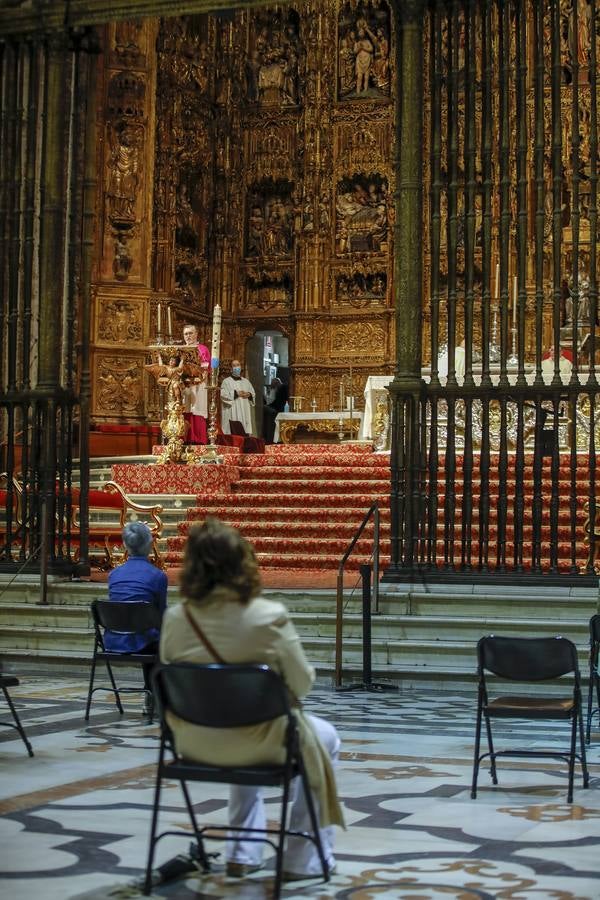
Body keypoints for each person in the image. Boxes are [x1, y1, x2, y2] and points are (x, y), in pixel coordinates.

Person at [159, 518, 344, 881]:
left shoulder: (175, 619)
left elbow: (170, 674)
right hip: (261, 740)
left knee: (239, 719)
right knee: (324, 738)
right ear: (242, 562)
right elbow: (302, 684)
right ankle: (302, 859)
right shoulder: (267, 617)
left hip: (192, 740)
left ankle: (242, 852)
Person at [106, 521, 168, 705]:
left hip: (115, 639)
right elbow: (161, 616)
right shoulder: (157, 576)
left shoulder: (113, 575)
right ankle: (157, 694)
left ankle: (152, 693)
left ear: (125, 545)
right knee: (156, 637)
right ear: (150, 544)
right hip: (145, 640)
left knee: (146, 632)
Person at [181, 323, 210, 445]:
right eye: (186, 334)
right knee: (184, 408)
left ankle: (198, 439)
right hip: (184, 383)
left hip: (198, 383)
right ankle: (184, 438)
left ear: (196, 334)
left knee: (197, 408)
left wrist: (199, 373)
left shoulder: (202, 349)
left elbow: (206, 365)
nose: (188, 336)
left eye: (190, 333)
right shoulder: (181, 349)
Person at [220, 359, 256, 436]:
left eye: (238, 365)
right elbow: (223, 395)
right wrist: (236, 393)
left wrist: (249, 394)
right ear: (231, 369)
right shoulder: (226, 381)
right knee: (233, 433)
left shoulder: (246, 381)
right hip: (232, 410)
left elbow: (253, 393)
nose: (236, 367)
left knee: (244, 432)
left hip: (244, 410)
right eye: (234, 365)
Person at [263, 376, 289, 443]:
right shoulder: (280, 388)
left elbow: (275, 402)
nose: (272, 384)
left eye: (273, 383)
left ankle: (268, 438)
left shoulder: (281, 388)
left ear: (277, 383)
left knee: (266, 410)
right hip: (277, 408)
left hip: (277, 409)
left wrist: (268, 405)